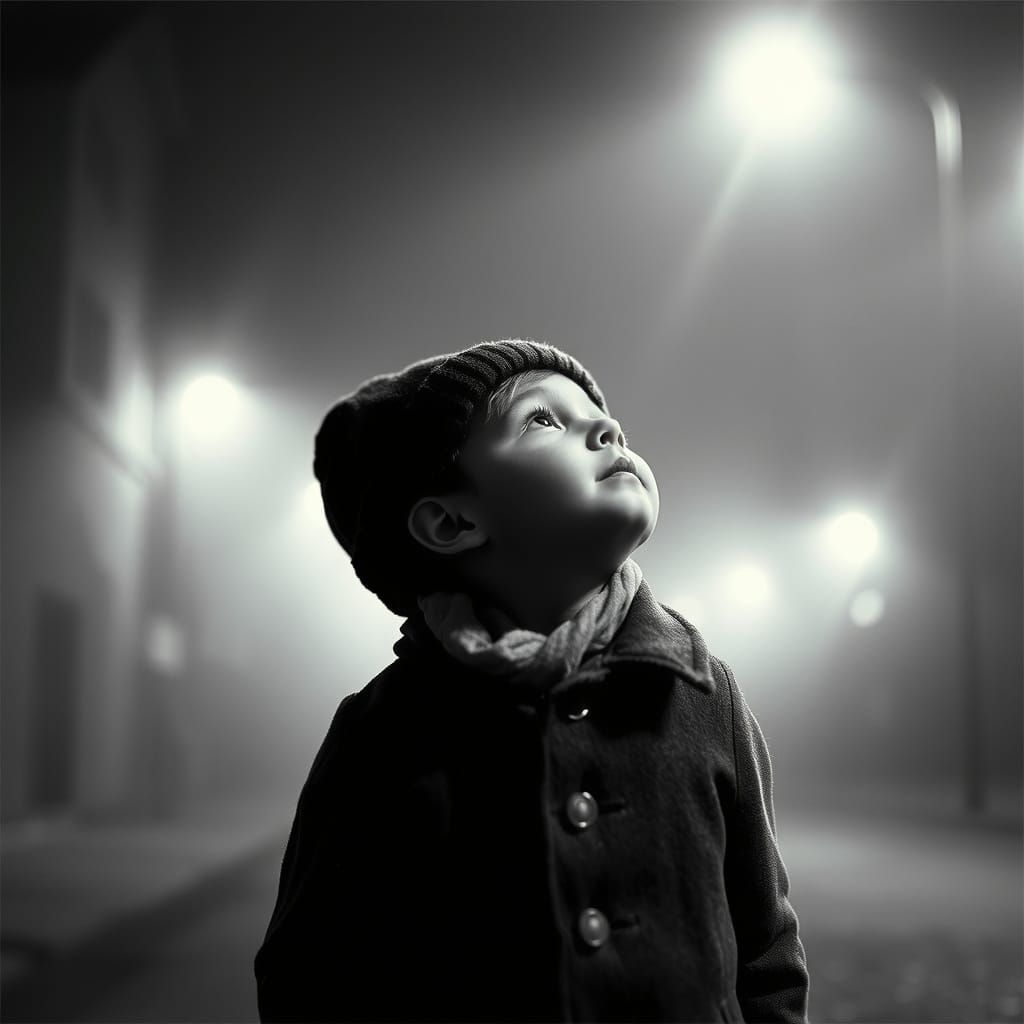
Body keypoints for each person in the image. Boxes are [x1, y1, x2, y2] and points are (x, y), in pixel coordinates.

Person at [254, 339, 810, 1023]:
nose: (607, 429)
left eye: (604, 419)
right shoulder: (384, 732)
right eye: (544, 420)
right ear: (450, 522)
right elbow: (309, 976)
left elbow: (767, 947)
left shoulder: (700, 692)